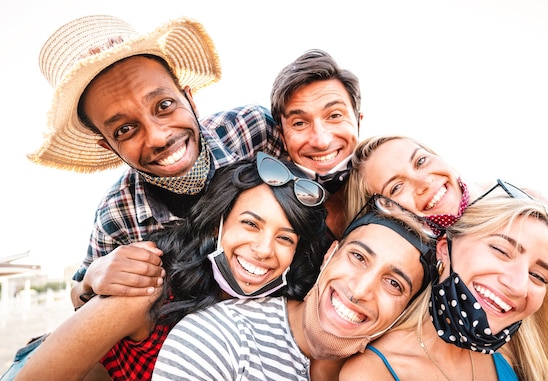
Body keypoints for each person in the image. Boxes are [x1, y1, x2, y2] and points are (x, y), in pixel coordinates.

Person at [27, 14, 284, 308]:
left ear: (190, 99)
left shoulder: (252, 131)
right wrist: (91, 279)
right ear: (109, 147)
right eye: (125, 129)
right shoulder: (118, 216)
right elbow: (80, 300)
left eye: (164, 106)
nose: (158, 137)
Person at [14, 154, 328, 381]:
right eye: (249, 224)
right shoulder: (151, 284)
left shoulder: (283, 313)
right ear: (217, 222)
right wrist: (88, 283)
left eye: (285, 238)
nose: (263, 250)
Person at [152, 205, 438, 380]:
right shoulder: (218, 339)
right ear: (329, 255)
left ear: (405, 310)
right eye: (358, 258)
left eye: (394, 284)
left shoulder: (389, 373)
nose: (360, 291)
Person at [339, 194, 548, 381]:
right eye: (501, 251)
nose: (518, 286)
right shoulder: (373, 372)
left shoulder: (531, 354)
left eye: (538, 276)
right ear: (444, 249)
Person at [270, 49, 362, 239]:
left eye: (335, 115)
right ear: (283, 137)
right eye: (300, 123)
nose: (321, 141)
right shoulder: (269, 210)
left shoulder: (389, 191)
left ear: (358, 122)